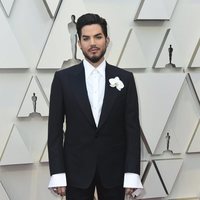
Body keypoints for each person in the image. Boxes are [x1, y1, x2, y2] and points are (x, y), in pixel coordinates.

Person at [48, 13, 143, 200]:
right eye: (86, 38)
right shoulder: (62, 79)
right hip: (75, 171)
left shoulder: (125, 79)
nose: (93, 43)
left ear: (107, 40)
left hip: (114, 172)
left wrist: (132, 174)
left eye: (98, 37)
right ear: (79, 43)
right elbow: (55, 131)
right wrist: (58, 173)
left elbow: (132, 130)